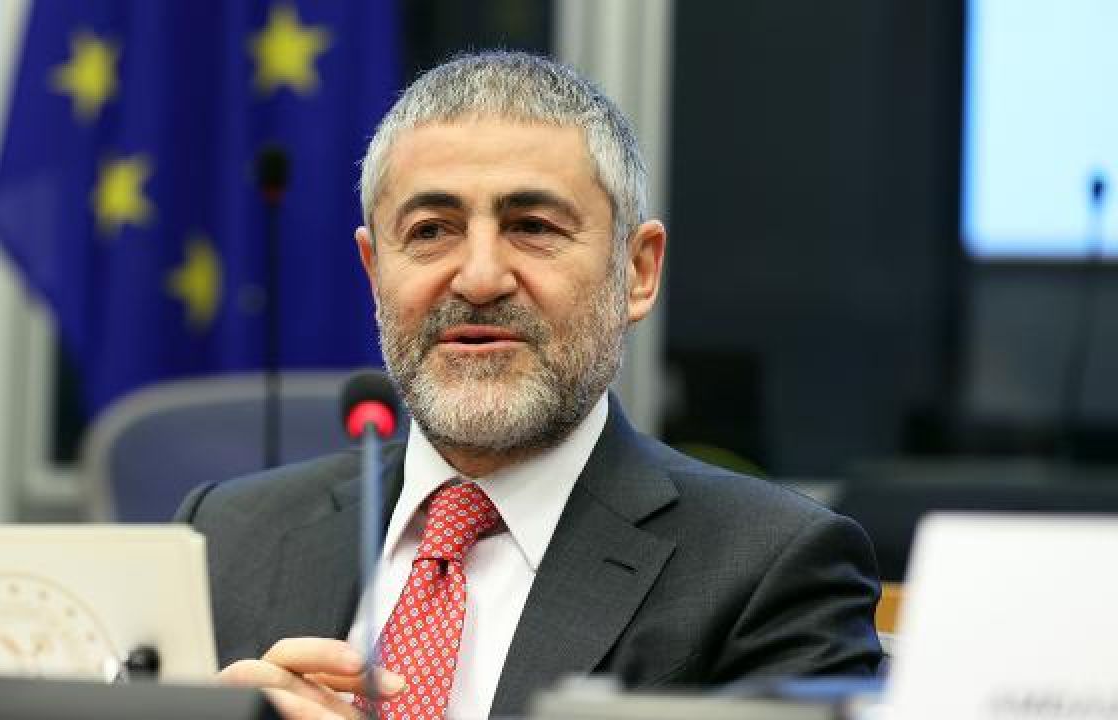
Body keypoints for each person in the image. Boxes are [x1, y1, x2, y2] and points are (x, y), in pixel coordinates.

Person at [176, 51, 883, 720]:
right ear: (374, 273)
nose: (480, 278)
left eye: (533, 227)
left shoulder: (772, 567)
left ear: (637, 271)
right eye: (431, 231)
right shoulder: (223, 537)